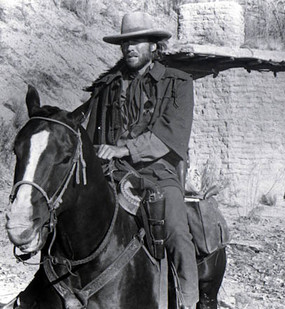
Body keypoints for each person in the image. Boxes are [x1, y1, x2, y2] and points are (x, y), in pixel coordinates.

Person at [78, 11, 198, 308]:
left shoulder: (178, 84)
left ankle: (188, 301)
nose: (129, 48)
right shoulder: (107, 86)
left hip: (157, 174)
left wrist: (123, 149)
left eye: (137, 42)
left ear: (154, 46)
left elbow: (170, 135)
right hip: (111, 172)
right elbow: (91, 134)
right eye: (125, 43)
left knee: (178, 235)